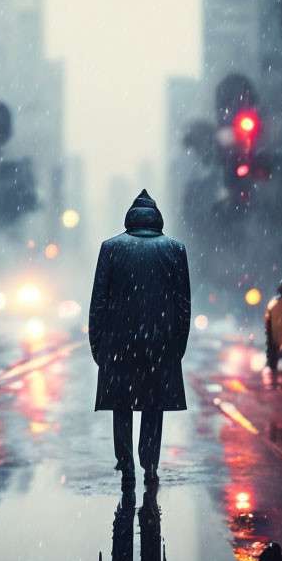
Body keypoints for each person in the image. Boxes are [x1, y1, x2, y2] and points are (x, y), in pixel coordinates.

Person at [89, 189, 191, 487]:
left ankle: (126, 465)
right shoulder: (175, 249)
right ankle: (150, 464)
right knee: (153, 405)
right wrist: (177, 346)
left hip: (118, 342)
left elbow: (99, 302)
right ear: (157, 218)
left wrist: (99, 346)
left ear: (130, 219)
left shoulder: (110, 248)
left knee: (121, 405)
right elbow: (183, 305)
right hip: (161, 341)